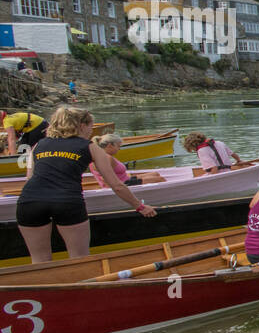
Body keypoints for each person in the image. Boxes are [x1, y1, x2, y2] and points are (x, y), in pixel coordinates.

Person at [15, 107, 157, 263]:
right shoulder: (90, 146)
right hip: (66, 201)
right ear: (81, 125)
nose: (92, 130)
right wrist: (140, 206)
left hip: (30, 201)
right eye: (91, 125)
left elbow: (29, 178)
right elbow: (116, 185)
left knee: (39, 260)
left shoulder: (38, 145)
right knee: (80, 259)